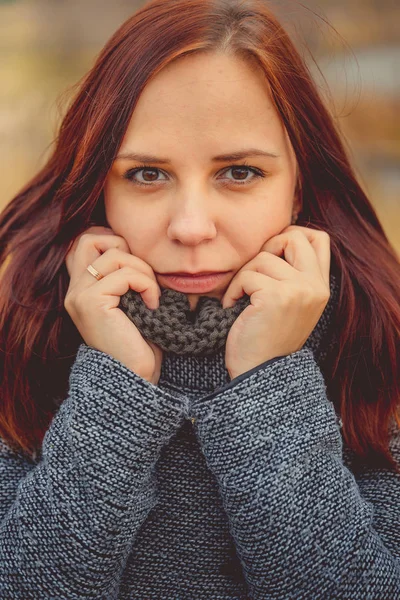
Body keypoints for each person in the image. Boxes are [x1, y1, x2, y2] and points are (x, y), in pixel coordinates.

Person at [0, 0, 399, 597]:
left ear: (299, 188)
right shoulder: (24, 341)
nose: (190, 227)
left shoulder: (376, 351)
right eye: (146, 174)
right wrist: (115, 388)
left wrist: (271, 380)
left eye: (238, 173)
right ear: (97, 186)